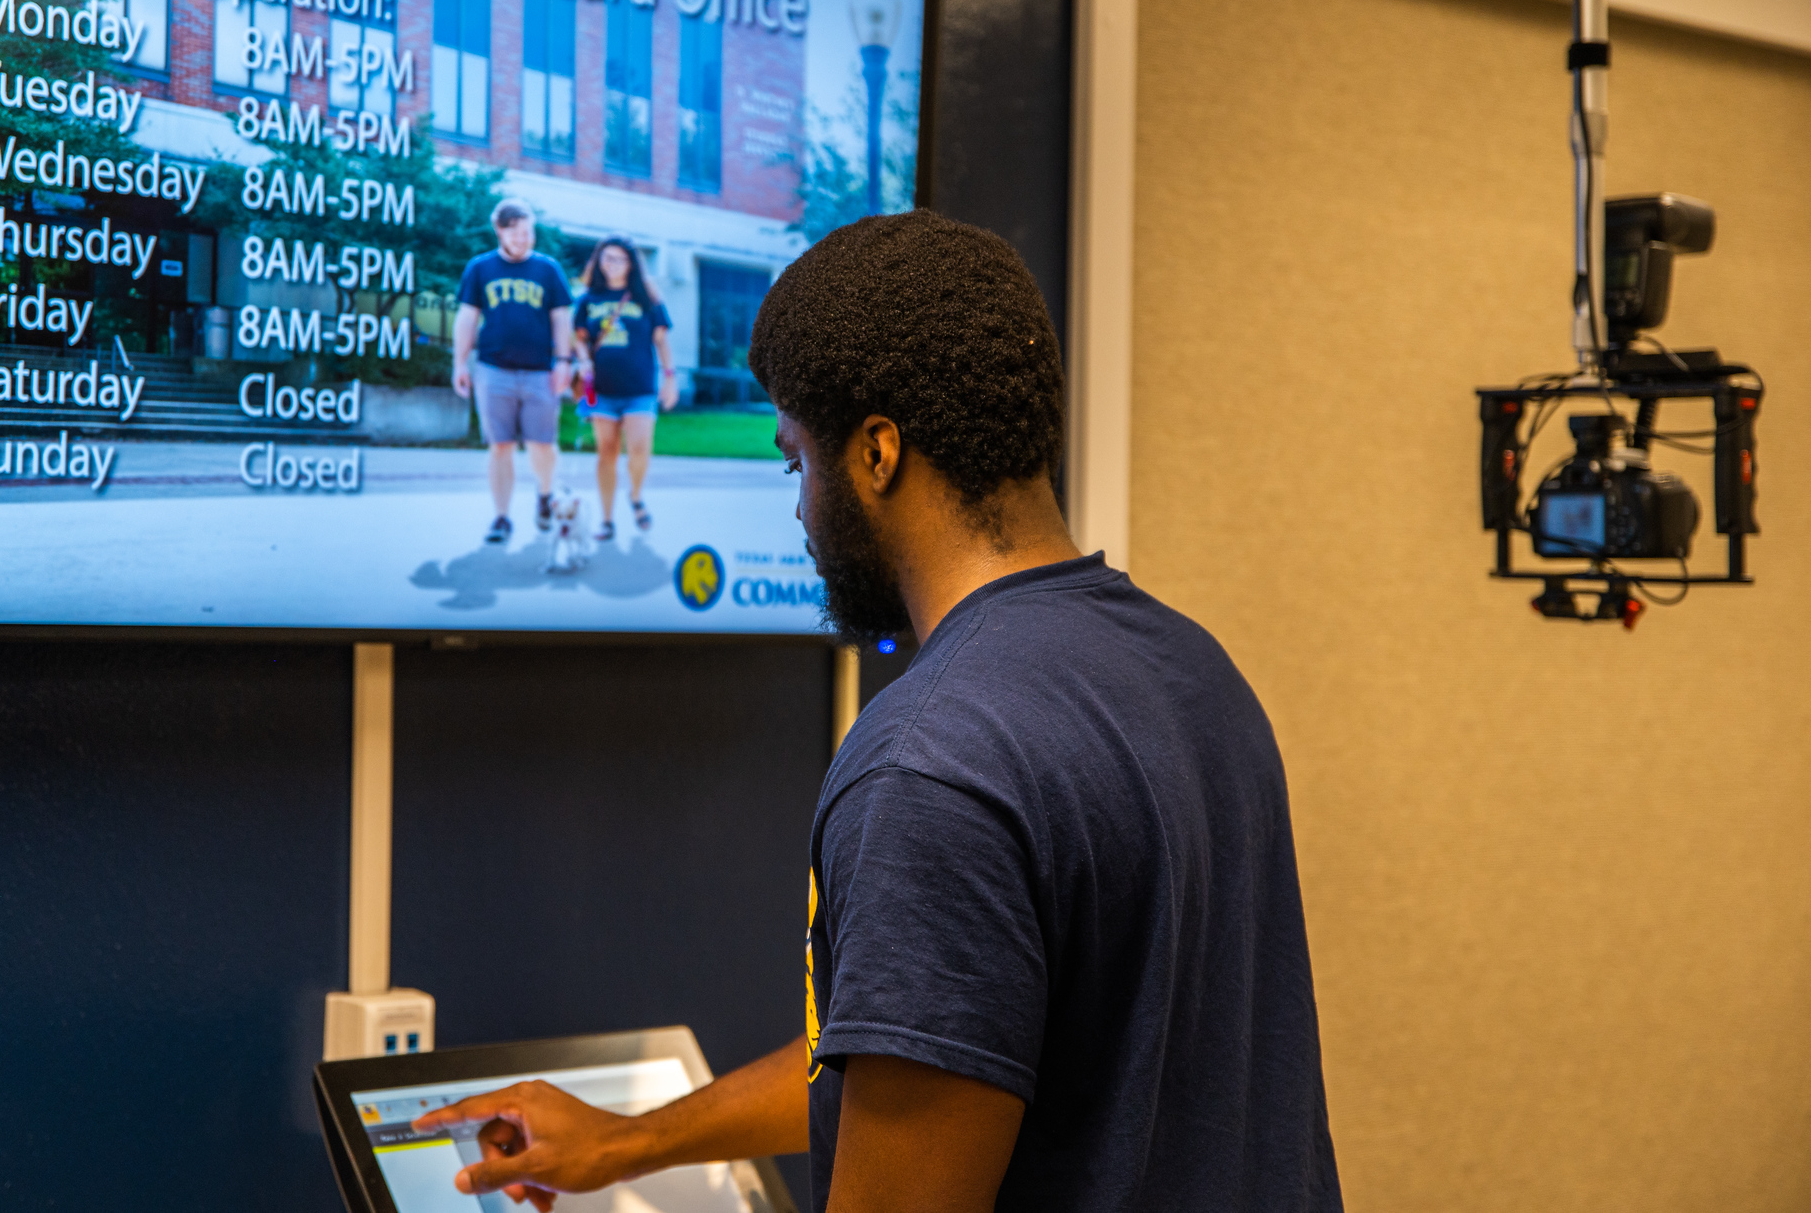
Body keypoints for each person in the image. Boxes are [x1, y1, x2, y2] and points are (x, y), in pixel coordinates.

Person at [415, 211, 1342, 1213]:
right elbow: (946, 1056)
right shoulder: (1191, 670)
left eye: (794, 461)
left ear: (876, 455)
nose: (801, 507)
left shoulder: (930, 762)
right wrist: (632, 1141)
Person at [453, 199, 576, 544]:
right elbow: (467, 317)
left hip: (540, 373)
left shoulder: (548, 270)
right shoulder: (480, 268)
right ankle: (502, 517)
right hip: (494, 370)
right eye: (517, 233)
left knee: (543, 446)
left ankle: (545, 494)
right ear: (500, 231)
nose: (524, 239)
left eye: (529, 232)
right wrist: (460, 363)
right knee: (500, 447)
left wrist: (564, 362)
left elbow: (561, 318)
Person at [571, 237, 678, 540]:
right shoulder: (588, 298)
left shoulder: (645, 295)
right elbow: (579, 337)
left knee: (639, 448)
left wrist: (670, 377)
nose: (612, 264)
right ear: (598, 261)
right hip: (601, 390)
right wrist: (582, 360)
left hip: (640, 388)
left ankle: (635, 495)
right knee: (606, 452)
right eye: (607, 258)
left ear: (630, 263)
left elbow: (661, 339)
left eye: (619, 259)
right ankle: (606, 519)